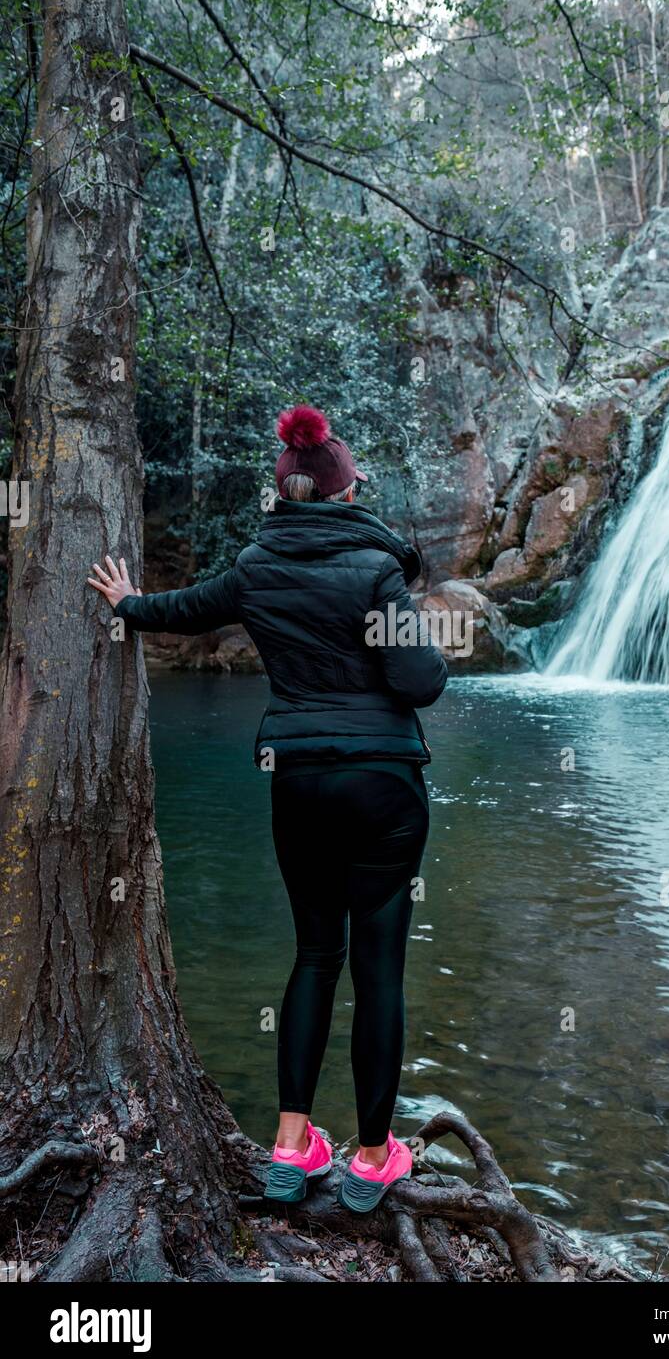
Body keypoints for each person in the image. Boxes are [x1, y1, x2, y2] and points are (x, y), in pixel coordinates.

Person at [87, 404, 448, 1213]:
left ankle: (290, 1143)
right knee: (378, 968)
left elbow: (184, 609)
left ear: (283, 495)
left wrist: (126, 603)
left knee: (315, 955)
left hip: (297, 781)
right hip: (384, 782)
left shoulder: (257, 566)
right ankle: (372, 1154)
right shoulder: (377, 572)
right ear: (347, 491)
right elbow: (421, 683)